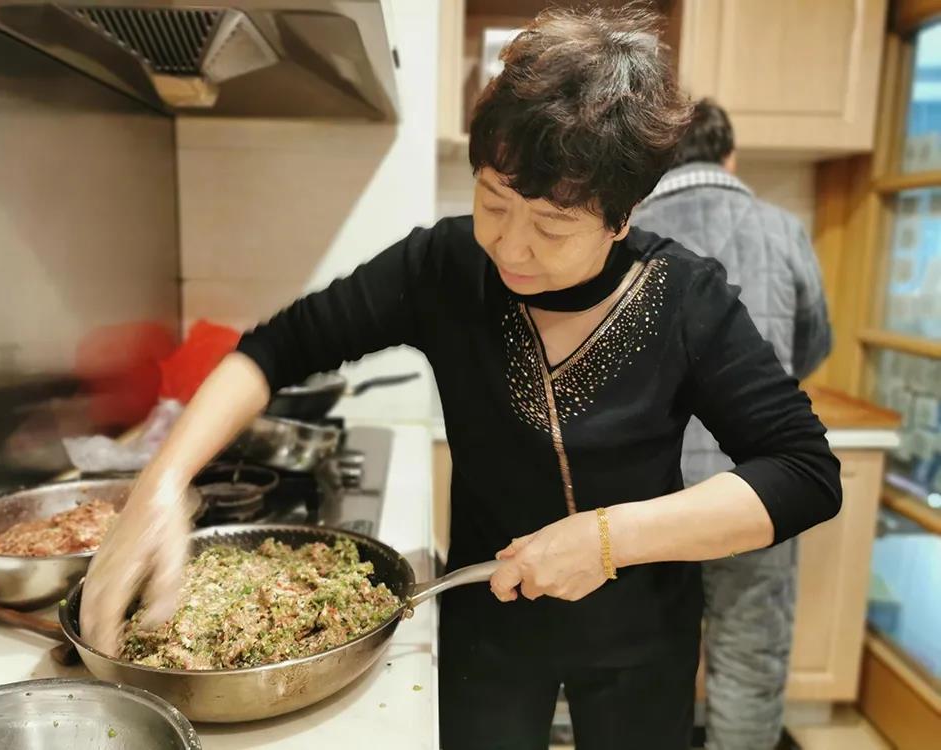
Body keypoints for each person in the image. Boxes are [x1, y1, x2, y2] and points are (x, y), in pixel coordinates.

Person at [80, 8, 841, 749]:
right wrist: (160, 484)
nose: (511, 246)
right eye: (492, 201)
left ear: (621, 218)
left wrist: (608, 540)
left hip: (640, 635)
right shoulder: (445, 267)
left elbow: (804, 472)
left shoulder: (684, 298)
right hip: (487, 620)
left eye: (552, 226)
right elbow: (277, 348)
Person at [632, 99, 832, 750]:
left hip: (646, 499)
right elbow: (811, 344)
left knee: (636, 658)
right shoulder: (782, 229)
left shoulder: (627, 230)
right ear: (731, 157)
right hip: (758, 488)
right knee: (750, 655)